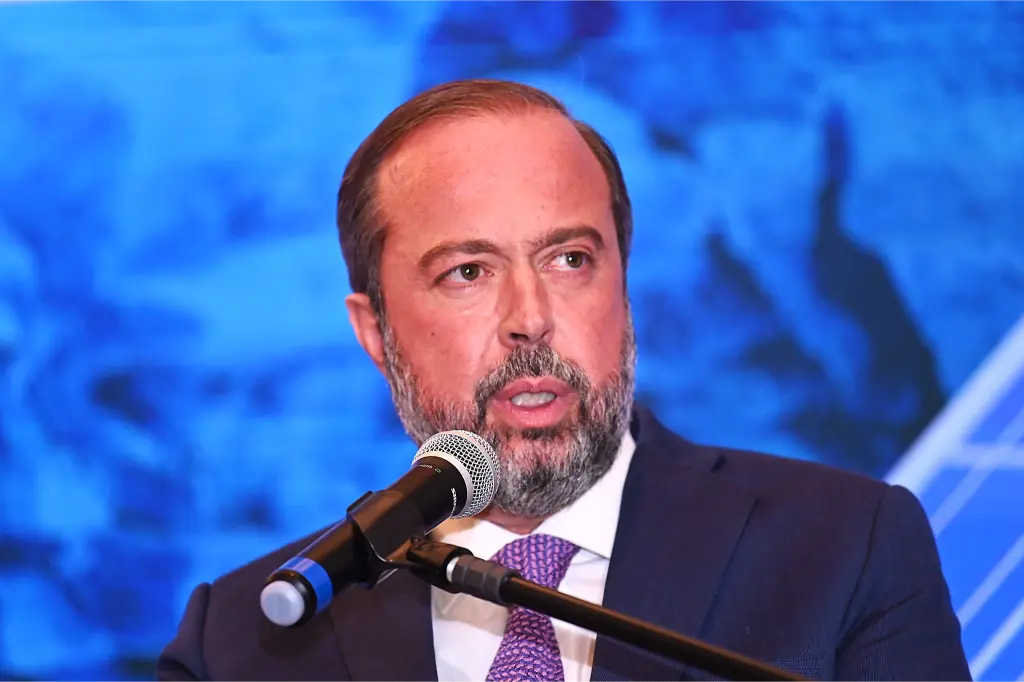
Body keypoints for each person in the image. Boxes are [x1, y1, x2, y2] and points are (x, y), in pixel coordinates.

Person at [157, 79, 971, 682]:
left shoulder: (846, 547)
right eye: (468, 271)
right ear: (375, 333)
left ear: (622, 282)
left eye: (570, 259)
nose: (531, 317)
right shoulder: (240, 640)